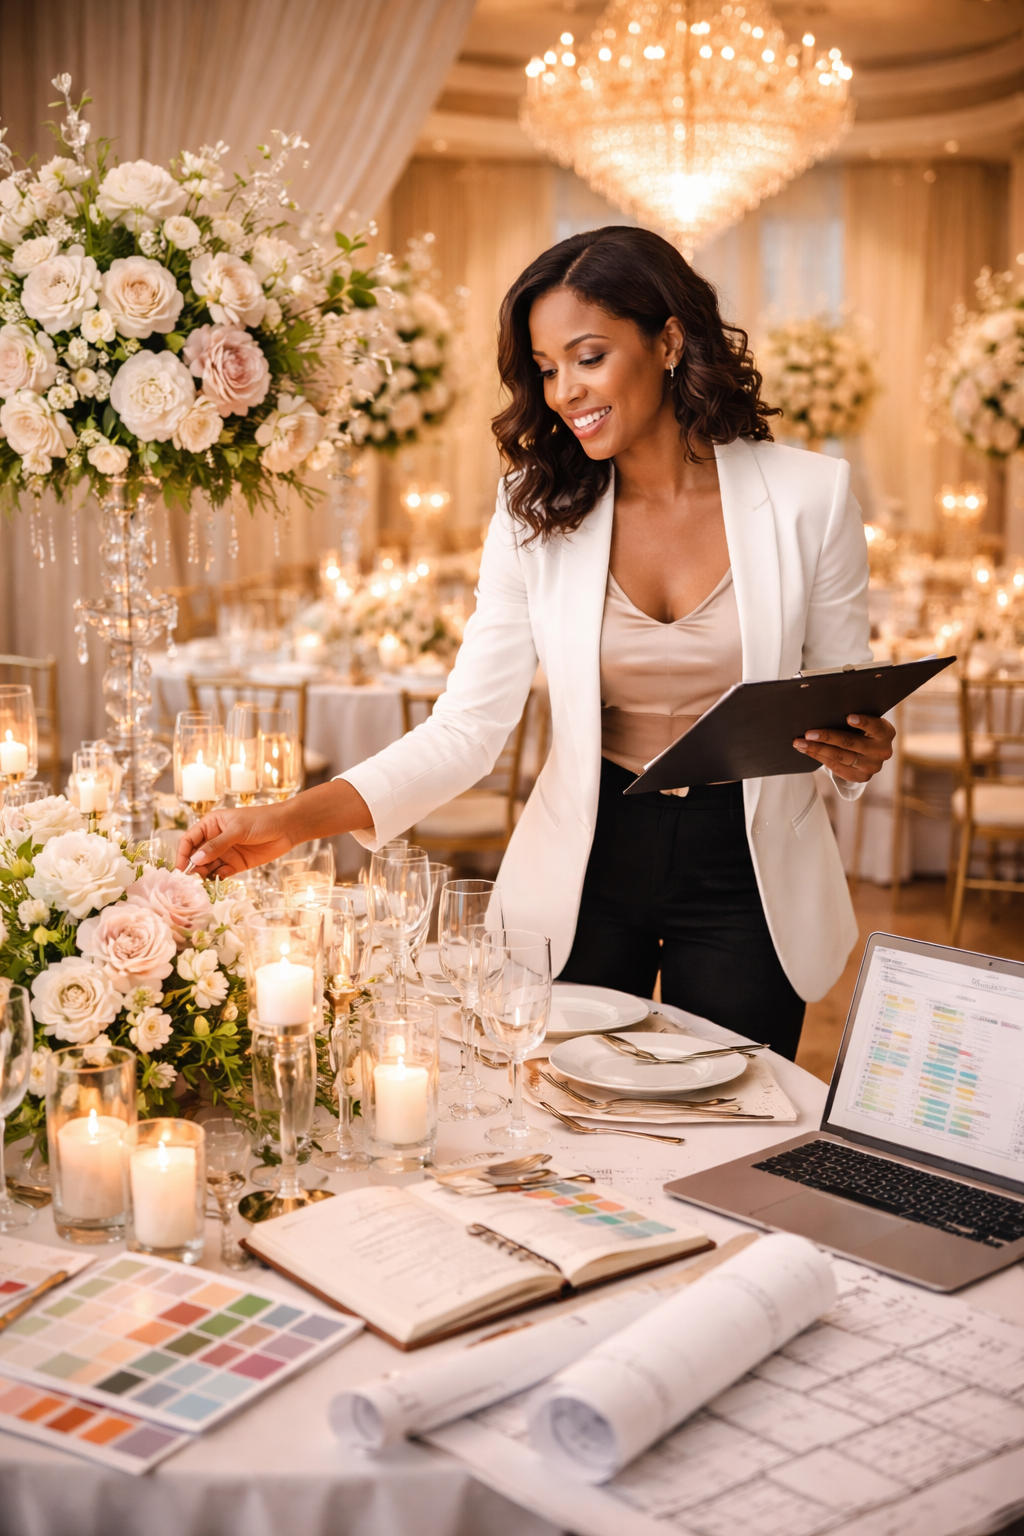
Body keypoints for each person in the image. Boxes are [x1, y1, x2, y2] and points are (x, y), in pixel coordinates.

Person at [177, 226, 893, 1059]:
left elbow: (843, 693)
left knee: (730, 1122)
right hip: (586, 866)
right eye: (547, 368)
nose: (563, 392)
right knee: (564, 1126)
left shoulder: (811, 495)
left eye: (587, 357)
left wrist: (858, 751)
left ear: (667, 340)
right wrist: (294, 821)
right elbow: (467, 729)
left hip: (751, 872)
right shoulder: (534, 508)